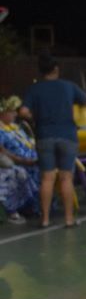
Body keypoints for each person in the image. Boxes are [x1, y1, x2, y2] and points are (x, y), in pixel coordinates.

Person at [22, 54, 86, 228]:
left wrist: (34, 118)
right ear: (56, 69)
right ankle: (69, 219)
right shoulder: (68, 86)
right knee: (66, 178)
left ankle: (45, 219)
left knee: (47, 178)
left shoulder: (34, 89)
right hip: (67, 135)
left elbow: (23, 111)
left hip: (44, 135)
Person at [0, 95, 39, 223]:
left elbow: (29, 142)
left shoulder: (16, 127)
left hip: (31, 158)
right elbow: (2, 151)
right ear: (3, 113)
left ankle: (42, 205)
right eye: (12, 112)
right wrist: (22, 161)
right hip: (16, 161)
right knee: (21, 171)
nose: (15, 115)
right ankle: (27, 208)